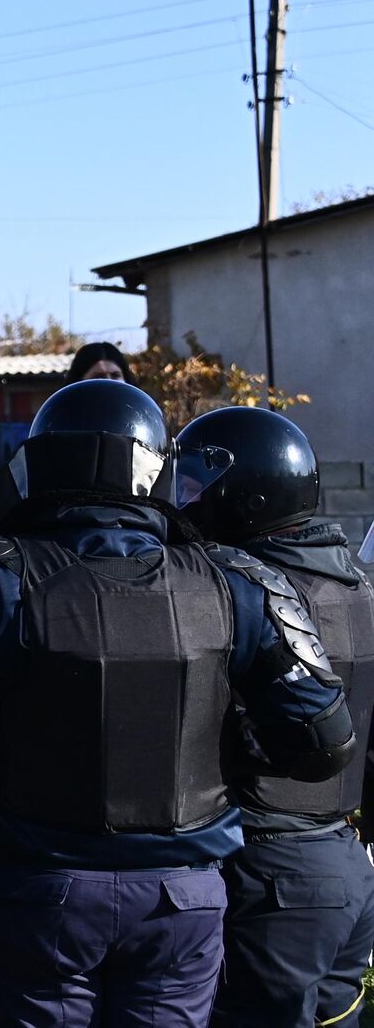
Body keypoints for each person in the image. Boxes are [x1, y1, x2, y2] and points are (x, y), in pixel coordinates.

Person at [0, 379, 355, 1026]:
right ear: (155, 469)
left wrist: (6, 688)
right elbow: (323, 743)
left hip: (36, 890)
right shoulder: (241, 580)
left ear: (39, 463)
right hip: (183, 896)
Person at [173, 406, 374, 1027]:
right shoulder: (361, 589)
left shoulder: (233, 593)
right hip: (345, 864)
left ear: (246, 496)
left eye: (195, 487)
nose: (184, 503)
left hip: (264, 869)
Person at [66, 340, 134, 384]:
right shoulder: (63, 406)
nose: (109, 381)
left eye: (115, 375)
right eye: (98, 377)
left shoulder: (140, 405)